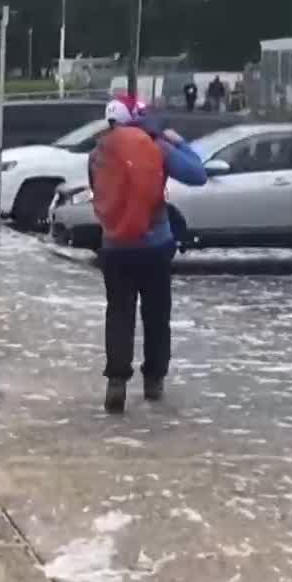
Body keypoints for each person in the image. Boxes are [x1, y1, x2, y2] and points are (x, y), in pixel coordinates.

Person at [92, 111, 208, 413]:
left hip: (114, 244)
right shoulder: (157, 146)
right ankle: (153, 380)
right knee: (156, 315)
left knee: (119, 314)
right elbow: (198, 174)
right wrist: (179, 143)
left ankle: (116, 382)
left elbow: (99, 193)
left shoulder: (100, 149)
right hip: (154, 244)